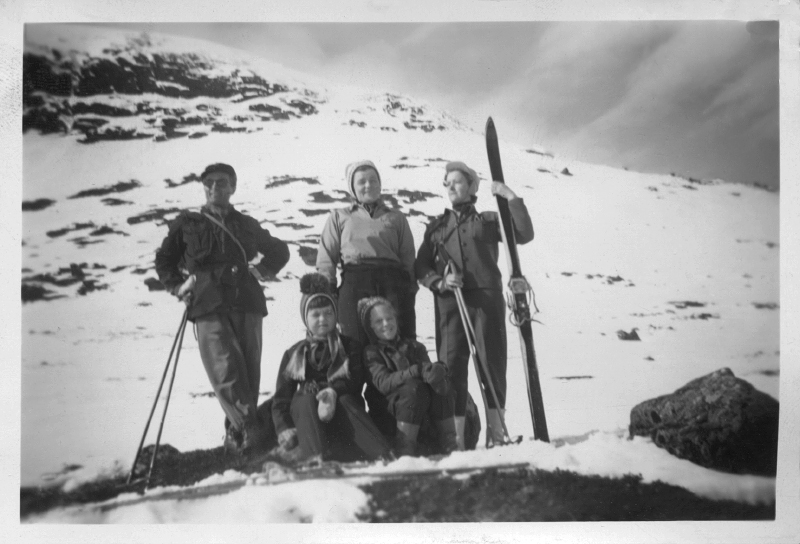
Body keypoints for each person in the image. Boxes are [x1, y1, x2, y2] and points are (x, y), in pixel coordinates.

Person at [155, 162, 290, 454]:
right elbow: (164, 261)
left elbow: (280, 250)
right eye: (209, 182)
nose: (215, 187)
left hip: (247, 301)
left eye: (222, 182)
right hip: (208, 302)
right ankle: (248, 430)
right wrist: (180, 286)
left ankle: (238, 438)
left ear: (233, 187)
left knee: (249, 370)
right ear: (203, 187)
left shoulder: (246, 224)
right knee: (225, 368)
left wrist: (263, 270)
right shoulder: (187, 224)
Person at [415, 161, 534, 448]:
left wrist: (510, 197)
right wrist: (439, 283)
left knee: (491, 362)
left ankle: (497, 434)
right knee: (451, 365)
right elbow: (420, 265)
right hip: (449, 303)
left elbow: (523, 234)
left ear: (471, 186)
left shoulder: (490, 220)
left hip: (486, 299)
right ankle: (455, 439)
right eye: (447, 183)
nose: (451, 187)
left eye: (457, 181)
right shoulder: (435, 228)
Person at [271, 273, 393, 463]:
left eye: (328, 313)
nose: (323, 319)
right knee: (305, 398)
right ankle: (316, 459)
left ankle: (382, 454)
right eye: (316, 315)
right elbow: (281, 398)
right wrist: (283, 427)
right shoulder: (293, 353)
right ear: (305, 318)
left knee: (346, 400)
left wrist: (333, 391)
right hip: (308, 416)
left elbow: (355, 379)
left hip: (342, 410)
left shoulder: (349, 346)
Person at [316, 160, 417, 346]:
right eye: (362, 182)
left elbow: (408, 257)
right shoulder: (340, 216)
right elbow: (326, 257)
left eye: (373, 180)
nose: (368, 185)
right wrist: (329, 290)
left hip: (392, 282)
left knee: (401, 339)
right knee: (354, 341)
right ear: (352, 188)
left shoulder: (396, 217)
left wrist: (409, 289)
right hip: (355, 281)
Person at [358, 296, 458, 456]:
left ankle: (449, 443)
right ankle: (405, 447)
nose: (386, 324)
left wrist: (436, 370)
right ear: (370, 328)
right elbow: (384, 383)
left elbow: (426, 371)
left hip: (418, 408)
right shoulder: (371, 352)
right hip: (389, 412)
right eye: (378, 321)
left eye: (389, 318)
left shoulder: (415, 346)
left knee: (438, 384)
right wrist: (414, 371)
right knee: (413, 388)